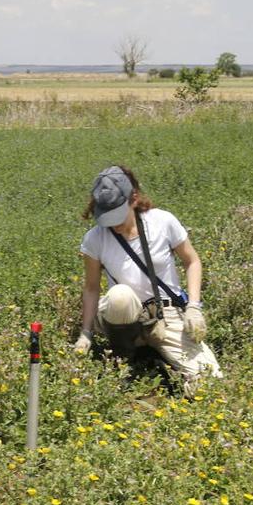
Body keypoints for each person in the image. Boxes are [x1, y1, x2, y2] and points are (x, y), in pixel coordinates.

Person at [73, 165, 221, 393]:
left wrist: (193, 307)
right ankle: (124, 359)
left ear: (133, 199)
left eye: (117, 215)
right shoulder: (94, 239)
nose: (113, 224)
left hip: (165, 314)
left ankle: (155, 352)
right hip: (123, 315)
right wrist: (86, 333)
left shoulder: (163, 222)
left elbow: (192, 261)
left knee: (210, 383)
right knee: (120, 296)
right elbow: (92, 288)